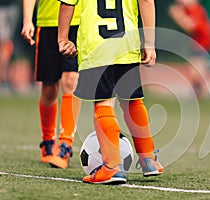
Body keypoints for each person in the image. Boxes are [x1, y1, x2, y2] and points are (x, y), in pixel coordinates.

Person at [58, 0, 163, 184]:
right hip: (128, 44)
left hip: (97, 47)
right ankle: (149, 160)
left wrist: (63, 38)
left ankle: (111, 167)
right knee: (132, 101)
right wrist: (150, 42)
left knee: (103, 102)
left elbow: (67, 3)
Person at [21, 0, 81, 169]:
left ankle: (65, 144)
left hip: (77, 22)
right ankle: (48, 142)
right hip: (48, 23)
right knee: (49, 89)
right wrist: (27, 20)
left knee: (70, 80)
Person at [169, 0, 210, 96]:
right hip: (200, 42)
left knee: (195, 68)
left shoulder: (195, 9)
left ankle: (198, 91)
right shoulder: (191, 9)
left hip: (204, 42)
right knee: (202, 67)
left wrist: (178, 16)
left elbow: (192, 27)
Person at [0, 0, 19, 91]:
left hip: (11, 6)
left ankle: (4, 79)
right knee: (5, 45)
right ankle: (3, 80)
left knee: (7, 45)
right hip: (5, 8)